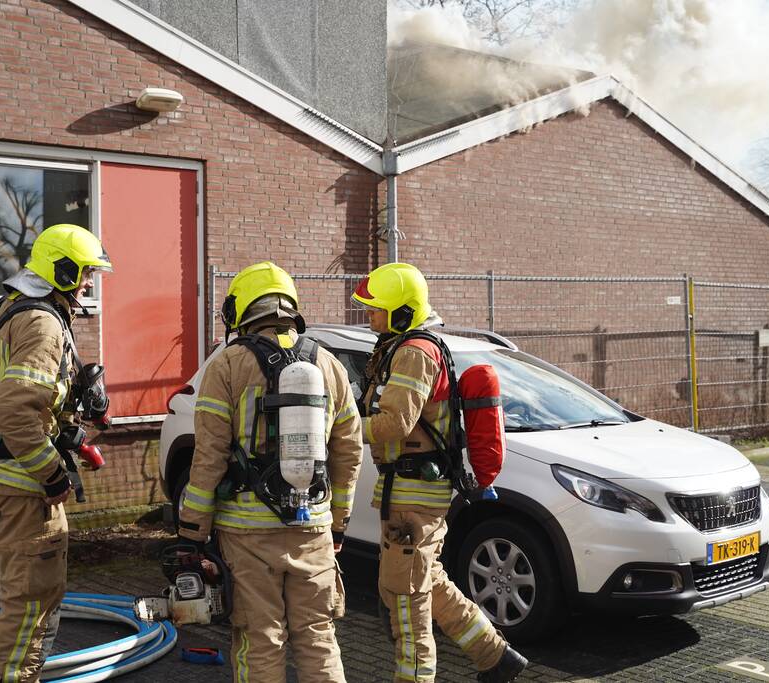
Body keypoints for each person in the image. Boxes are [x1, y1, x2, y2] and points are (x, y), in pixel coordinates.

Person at [177, 261, 364, 683]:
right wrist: (338, 524)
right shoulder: (330, 365)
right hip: (313, 526)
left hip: (246, 534)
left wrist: (191, 530)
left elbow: (209, 454)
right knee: (317, 637)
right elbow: (349, 451)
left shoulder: (226, 366)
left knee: (260, 638)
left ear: (242, 309)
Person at [351, 262, 527, 683]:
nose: (369, 317)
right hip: (407, 491)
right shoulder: (403, 346)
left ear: (402, 312)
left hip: (414, 495)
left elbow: (395, 423)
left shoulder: (414, 353)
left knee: (405, 599)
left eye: (376, 310)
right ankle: (495, 656)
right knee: (427, 581)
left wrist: (336, 428)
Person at [0, 224, 113, 683]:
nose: (90, 283)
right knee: (28, 608)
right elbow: (14, 410)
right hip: (25, 487)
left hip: (10, 477)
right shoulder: (41, 321)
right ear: (62, 268)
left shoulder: (16, 308)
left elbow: (35, 400)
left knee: (30, 600)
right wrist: (52, 474)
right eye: (86, 273)